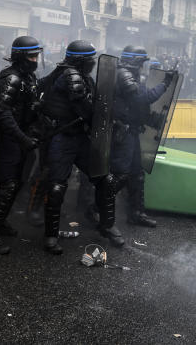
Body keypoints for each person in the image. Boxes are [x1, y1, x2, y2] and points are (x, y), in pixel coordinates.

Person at [39, 40, 123, 255]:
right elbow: (86, 109)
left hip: (79, 137)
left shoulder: (79, 75)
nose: (93, 63)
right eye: (90, 59)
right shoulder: (72, 76)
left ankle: (107, 225)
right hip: (63, 138)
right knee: (57, 187)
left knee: (105, 179)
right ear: (80, 60)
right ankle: (50, 235)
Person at [0, 36, 42, 255]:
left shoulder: (28, 77)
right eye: (31, 56)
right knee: (8, 185)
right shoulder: (11, 78)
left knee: (18, 183)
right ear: (20, 57)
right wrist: (22, 138)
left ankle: (0, 221)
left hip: (22, 138)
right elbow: (1, 113)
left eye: (36, 56)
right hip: (7, 139)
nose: (35, 60)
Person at [109, 46, 171, 226]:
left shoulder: (131, 75)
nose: (143, 66)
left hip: (132, 131)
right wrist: (164, 84)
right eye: (141, 62)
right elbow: (142, 99)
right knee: (121, 175)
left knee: (137, 174)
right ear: (134, 61)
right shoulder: (124, 75)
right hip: (123, 133)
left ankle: (136, 214)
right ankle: (98, 209)